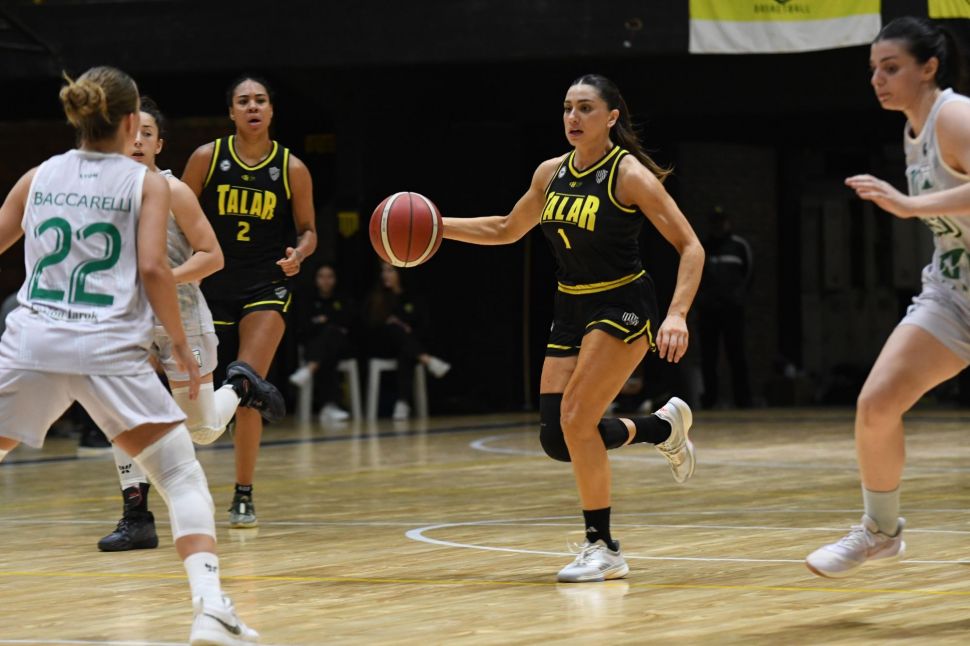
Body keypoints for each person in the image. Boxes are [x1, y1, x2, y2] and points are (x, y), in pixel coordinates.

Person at [0, 66, 257, 644]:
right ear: (128, 121)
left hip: (34, 340)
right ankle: (210, 608)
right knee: (181, 475)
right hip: (108, 346)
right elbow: (152, 268)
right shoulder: (145, 184)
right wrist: (181, 345)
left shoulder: (39, 175)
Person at [441, 73, 704, 582]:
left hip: (623, 302)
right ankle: (661, 428)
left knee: (579, 418)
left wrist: (677, 314)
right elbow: (506, 228)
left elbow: (690, 246)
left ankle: (603, 547)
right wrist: (438, 226)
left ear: (611, 117)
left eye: (585, 108)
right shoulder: (550, 173)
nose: (573, 117)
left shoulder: (628, 175)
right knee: (558, 439)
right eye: (567, 108)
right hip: (571, 305)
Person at [806, 17, 970, 578]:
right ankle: (881, 531)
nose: (877, 79)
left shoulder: (954, 115)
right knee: (876, 406)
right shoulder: (913, 130)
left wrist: (909, 205)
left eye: (891, 67)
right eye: (874, 68)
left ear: (929, 68)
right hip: (953, 292)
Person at [98, 96, 284, 552]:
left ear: (159, 144)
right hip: (128, 322)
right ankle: (136, 516)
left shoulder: (174, 191)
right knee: (122, 414)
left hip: (181, 317)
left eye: (147, 134)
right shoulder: (102, 194)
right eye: (131, 133)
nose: (137, 141)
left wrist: (165, 279)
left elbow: (213, 257)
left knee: (202, 430)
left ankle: (241, 386)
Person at [182, 74, 317, 528]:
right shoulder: (207, 158)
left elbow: (308, 230)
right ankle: (181, 485)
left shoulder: (292, 167)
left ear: (271, 110)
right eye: (244, 101)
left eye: (260, 100)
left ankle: (243, 492)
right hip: (209, 286)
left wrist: (300, 254)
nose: (253, 107)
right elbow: (176, 217)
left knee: (246, 384)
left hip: (265, 286)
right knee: (194, 394)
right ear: (231, 112)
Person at [364, 261, 451, 420]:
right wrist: (395, 324)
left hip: (407, 347)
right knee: (394, 328)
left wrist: (406, 328)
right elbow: (371, 326)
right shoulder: (378, 298)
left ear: (400, 273)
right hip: (384, 346)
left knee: (406, 353)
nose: (385, 275)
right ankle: (428, 360)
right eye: (383, 271)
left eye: (390, 271)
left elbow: (422, 325)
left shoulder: (412, 298)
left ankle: (402, 402)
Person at [698, 206, 753, 409]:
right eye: (715, 221)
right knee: (708, 356)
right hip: (708, 311)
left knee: (737, 354)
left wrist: (737, 297)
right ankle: (710, 399)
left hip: (732, 310)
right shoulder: (702, 247)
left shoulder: (739, 246)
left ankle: (743, 400)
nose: (718, 225)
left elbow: (749, 274)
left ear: (728, 222)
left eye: (721, 221)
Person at [289, 263, 358, 423]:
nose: (326, 281)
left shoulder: (342, 299)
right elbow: (305, 327)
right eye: (321, 276)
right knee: (327, 352)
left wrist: (323, 322)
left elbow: (348, 323)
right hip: (316, 347)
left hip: (341, 348)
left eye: (330, 276)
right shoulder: (309, 300)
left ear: (335, 279)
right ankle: (329, 406)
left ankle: (310, 368)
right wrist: (328, 322)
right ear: (315, 279)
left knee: (331, 334)